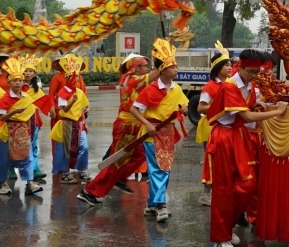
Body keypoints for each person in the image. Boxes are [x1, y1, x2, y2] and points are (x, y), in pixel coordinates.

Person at [204, 49, 288, 247]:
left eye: (257, 72)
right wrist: (277, 111)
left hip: (238, 137)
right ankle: (220, 237)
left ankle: (227, 227)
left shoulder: (249, 85)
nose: (255, 76)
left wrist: (258, 105)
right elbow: (248, 118)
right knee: (223, 190)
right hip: (224, 138)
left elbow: (247, 111)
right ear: (239, 67)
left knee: (247, 186)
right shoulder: (229, 87)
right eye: (251, 71)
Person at [77, 54, 159, 205]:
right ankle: (90, 191)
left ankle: (120, 178)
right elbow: (156, 74)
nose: (148, 70)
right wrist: (165, 63)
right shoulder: (133, 80)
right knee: (116, 163)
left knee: (141, 155)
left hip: (134, 125)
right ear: (136, 68)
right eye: (145, 67)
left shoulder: (128, 78)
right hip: (126, 126)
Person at [128, 39, 188, 222]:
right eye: (173, 67)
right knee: (156, 169)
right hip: (151, 134)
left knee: (165, 168)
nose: (176, 70)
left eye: (176, 67)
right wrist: (146, 123)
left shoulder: (176, 88)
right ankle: (161, 204)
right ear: (162, 69)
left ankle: (152, 204)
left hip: (168, 133)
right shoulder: (151, 89)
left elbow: (182, 105)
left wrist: (183, 110)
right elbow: (134, 109)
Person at [0, 57, 51, 196]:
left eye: (20, 80)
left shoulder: (26, 97)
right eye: (14, 80)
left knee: (27, 157)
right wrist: (13, 112)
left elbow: (31, 114)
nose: (18, 83)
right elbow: (1, 117)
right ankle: (2, 183)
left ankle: (29, 183)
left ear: (23, 81)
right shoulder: (5, 98)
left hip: (23, 132)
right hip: (8, 132)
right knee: (4, 158)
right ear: (9, 82)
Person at [195, 42, 232, 206]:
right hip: (211, 128)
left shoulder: (230, 83)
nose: (230, 68)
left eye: (231, 64)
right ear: (218, 68)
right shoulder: (209, 86)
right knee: (212, 161)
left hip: (227, 128)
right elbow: (200, 107)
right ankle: (205, 194)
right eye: (227, 65)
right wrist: (221, 105)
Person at [50, 55, 91, 184]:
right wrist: (71, 102)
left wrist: (85, 123)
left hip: (79, 123)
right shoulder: (62, 92)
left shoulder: (79, 92)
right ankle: (65, 173)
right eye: (72, 77)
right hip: (66, 123)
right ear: (66, 78)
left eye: (77, 77)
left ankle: (82, 170)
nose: (76, 79)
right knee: (65, 149)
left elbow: (81, 109)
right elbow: (64, 110)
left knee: (83, 146)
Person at [21, 56, 48, 181]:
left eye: (30, 71)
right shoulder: (17, 86)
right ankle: (11, 168)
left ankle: (35, 169)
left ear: (35, 73)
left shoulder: (36, 89)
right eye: (25, 70)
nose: (27, 73)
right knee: (16, 145)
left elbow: (44, 103)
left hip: (34, 119)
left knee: (33, 145)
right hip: (19, 119)